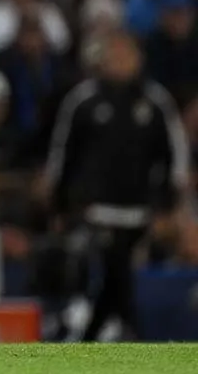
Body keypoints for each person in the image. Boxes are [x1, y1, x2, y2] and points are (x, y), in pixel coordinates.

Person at [45, 30, 191, 341]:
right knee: (112, 275)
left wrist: (168, 205)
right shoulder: (83, 101)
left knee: (118, 279)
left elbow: (173, 157)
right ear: (102, 60)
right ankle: (129, 334)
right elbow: (63, 155)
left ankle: (94, 334)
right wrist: (59, 204)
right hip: (96, 211)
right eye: (114, 55)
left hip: (140, 213)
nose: (120, 62)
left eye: (126, 56)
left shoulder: (155, 102)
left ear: (139, 60)